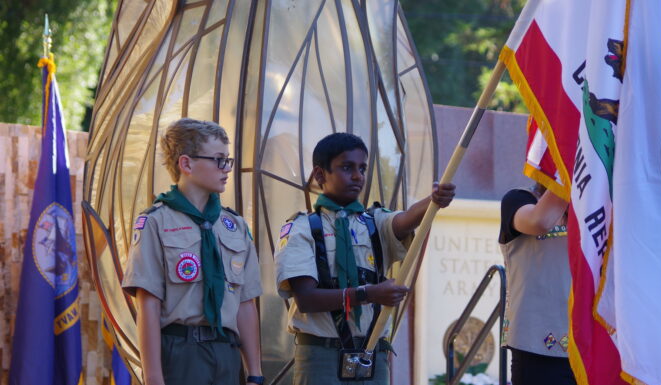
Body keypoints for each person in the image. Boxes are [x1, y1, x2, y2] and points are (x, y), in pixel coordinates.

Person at [274, 132, 456, 385]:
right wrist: (367, 294)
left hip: (372, 355)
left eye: (362, 168)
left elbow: (406, 219)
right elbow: (306, 299)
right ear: (319, 174)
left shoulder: (374, 222)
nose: (358, 176)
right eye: (346, 168)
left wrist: (434, 200)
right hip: (321, 356)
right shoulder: (302, 228)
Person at [122, 118, 264, 385]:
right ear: (186, 164)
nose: (226, 169)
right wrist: (153, 377)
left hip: (227, 353)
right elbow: (148, 304)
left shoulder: (235, 226)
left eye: (228, 160)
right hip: (180, 352)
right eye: (218, 160)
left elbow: (245, 302)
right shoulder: (156, 222)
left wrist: (254, 372)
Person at [498, 183, 576, 385]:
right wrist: (569, 174)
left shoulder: (596, 206)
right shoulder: (519, 199)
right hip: (539, 352)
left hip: (593, 348)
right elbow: (539, 221)